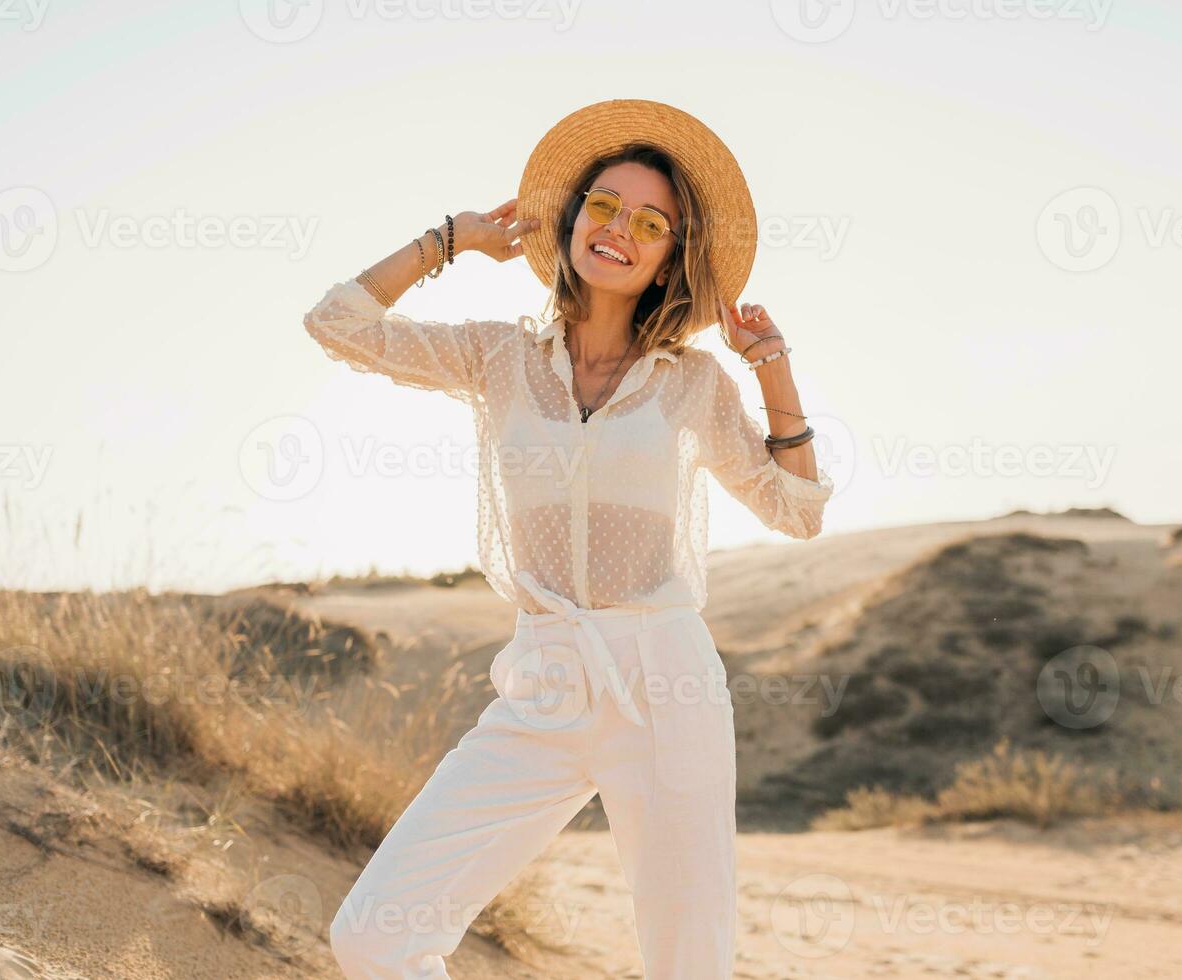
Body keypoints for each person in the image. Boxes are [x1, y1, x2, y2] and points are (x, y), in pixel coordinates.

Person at [303, 98, 835, 979]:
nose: (621, 228)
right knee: (374, 934)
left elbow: (798, 509)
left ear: (671, 258)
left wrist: (771, 364)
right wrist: (449, 241)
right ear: (570, 218)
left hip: (664, 682)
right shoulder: (499, 359)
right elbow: (337, 324)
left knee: (686, 964)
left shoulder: (691, 384)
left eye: (651, 221)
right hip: (544, 681)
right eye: (604, 205)